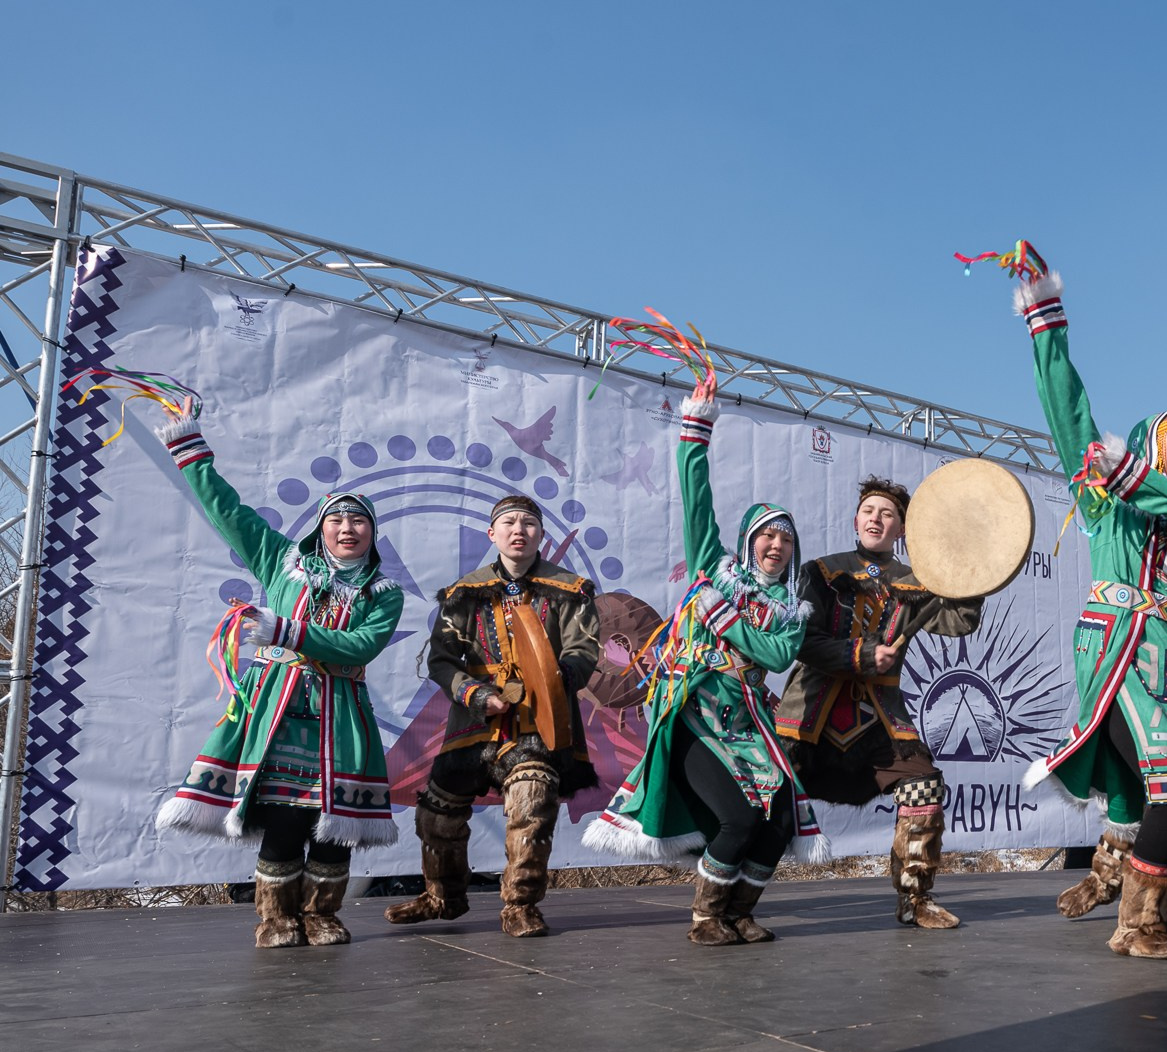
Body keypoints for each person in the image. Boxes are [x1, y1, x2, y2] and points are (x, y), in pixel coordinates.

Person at [1012, 262, 1167, 958]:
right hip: (1125, 652)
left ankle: (1156, 921)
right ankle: (1136, 925)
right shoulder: (1106, 510)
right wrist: (1046, 320)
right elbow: (1067, 414)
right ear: (1145, 445)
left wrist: (1136, 474)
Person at [152, 405, 401, 948]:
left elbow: (363, 645)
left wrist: (285, 631)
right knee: (285, 817)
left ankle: (322, 915)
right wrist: (190, 447)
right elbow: (228, 513)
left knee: (334, 827)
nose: (347, 527)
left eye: (358, 520)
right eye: (337, 518)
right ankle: (275, 917)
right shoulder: (282, 561)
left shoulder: (384, 593)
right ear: (320, 528)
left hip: (340, 715)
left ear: (371, 534)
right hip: (278, 709)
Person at [583, 375, 813, 942]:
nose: (776, 544)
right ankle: (707, 917)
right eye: (766, 535)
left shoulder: (790, 609)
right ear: (747, 542)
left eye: (785, 537)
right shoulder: (714, 569)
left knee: (780, 821)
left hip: (750, 723)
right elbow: (697, 499)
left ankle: (740, 912)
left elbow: (776, 654)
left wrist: (724, 621)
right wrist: (696, 429)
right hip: (697, 712)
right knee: (737, 819)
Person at [385, 496, 601, 937]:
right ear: (493, 534)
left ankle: (520, 905)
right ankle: (442, 898)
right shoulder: (464, 593)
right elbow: (442, 662)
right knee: (436, 813)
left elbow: (583, 651)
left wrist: (550, 679)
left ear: (541, 534)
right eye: (508, 522)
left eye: (528, 523)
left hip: (539, 718)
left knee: (531, 800)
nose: (518, 529)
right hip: (475, 719)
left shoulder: (570, 590)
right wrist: (476, 694)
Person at [776, 477, 983, 929]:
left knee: (924, 786)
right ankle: (723, 904)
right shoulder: (820, 571)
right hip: (808, 713)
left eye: (887, 513)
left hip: (879, 718)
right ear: (855, 520)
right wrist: (864, 655)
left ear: (902, 529)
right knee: (766, 803)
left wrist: (971, 569)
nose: (876, 518)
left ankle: (915, 900)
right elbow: (801, 643)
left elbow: (958, 622)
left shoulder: (916, 581)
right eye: (869, 510)